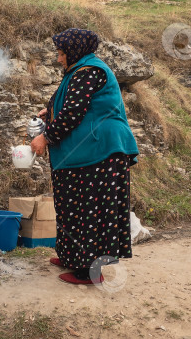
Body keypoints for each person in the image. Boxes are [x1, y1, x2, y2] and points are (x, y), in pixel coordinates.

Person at [30, 28, 139, 285]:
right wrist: (51, 109)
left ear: (74, 51)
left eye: (61, 54)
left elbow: (72, 115)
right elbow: (75, 103)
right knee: (71, 205)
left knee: (90, 210)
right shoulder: (81, 69)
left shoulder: (90, 71)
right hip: (88, 150)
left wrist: (44, 138)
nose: (58, 59)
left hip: (101, 151)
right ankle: (72, 256)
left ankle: (89, 272)